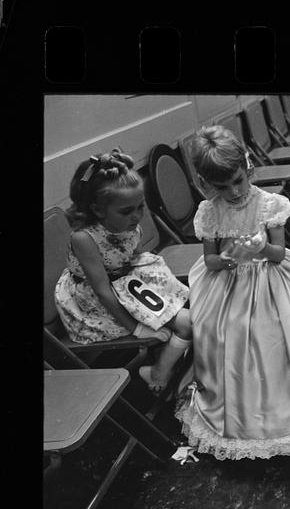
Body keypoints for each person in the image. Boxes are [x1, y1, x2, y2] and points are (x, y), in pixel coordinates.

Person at [175, 126, 290, 459]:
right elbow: (210, 260)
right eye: (222, 186)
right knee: (230, 329)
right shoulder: (210, 211)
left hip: (272, 274)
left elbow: (278, 253)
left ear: (247, 170)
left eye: (237, 181)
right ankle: (249, 408)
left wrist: (260, 247)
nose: (232, 192)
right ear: (207, 185)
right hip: (231, 281)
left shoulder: (269, 204)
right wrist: (229, 260)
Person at [54, 149, 192, 393]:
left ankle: (166, 363)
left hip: (126, 284)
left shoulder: (127, 224)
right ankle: (159, 372)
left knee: (193, 313)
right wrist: (136, 327)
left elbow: (135, 260)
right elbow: (102, 291)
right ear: (97, 210)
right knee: (188, 324)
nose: (138, 216)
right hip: (95, 301)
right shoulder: (84, 238)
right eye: (128, 211)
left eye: (141, 206)